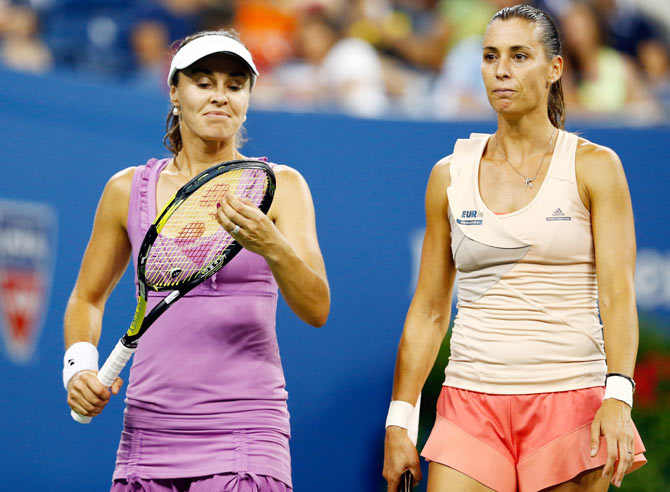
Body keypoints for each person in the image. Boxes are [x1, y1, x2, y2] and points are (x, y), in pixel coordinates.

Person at [383, 5, 645, 492]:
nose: (501, 70)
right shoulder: (448, 174)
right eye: (490, 56)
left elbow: (617, 295)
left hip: (570, 402)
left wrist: (618, 395)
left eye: (519, 55)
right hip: (469, 402)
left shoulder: (596, 167)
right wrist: (400, 419)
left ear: (554, 69)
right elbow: (429, 311)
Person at [63, 30, 329, 492]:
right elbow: (87, 297)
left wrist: (273, 246)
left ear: (248, 97)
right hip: (146, 435)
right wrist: (80, 368)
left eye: (234, 85)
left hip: (247, 433)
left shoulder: (282, 186)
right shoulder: (125, 189)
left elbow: (316, 309)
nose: (220, 97)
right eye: (203, 83)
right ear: (174, 91)